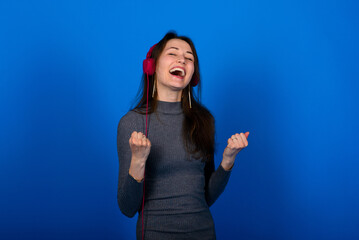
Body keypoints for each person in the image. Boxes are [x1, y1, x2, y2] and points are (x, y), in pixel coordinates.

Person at [117, 31, 249, 240]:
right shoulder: (132, 123)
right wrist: (138, 161)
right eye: (173, 53)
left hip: (204, 233)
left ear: (193, 74)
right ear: (152, 66)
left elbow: (207, 196)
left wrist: (227, 161)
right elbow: (127, 207)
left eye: (189, 58)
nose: (182, 59)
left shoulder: (204, 120)